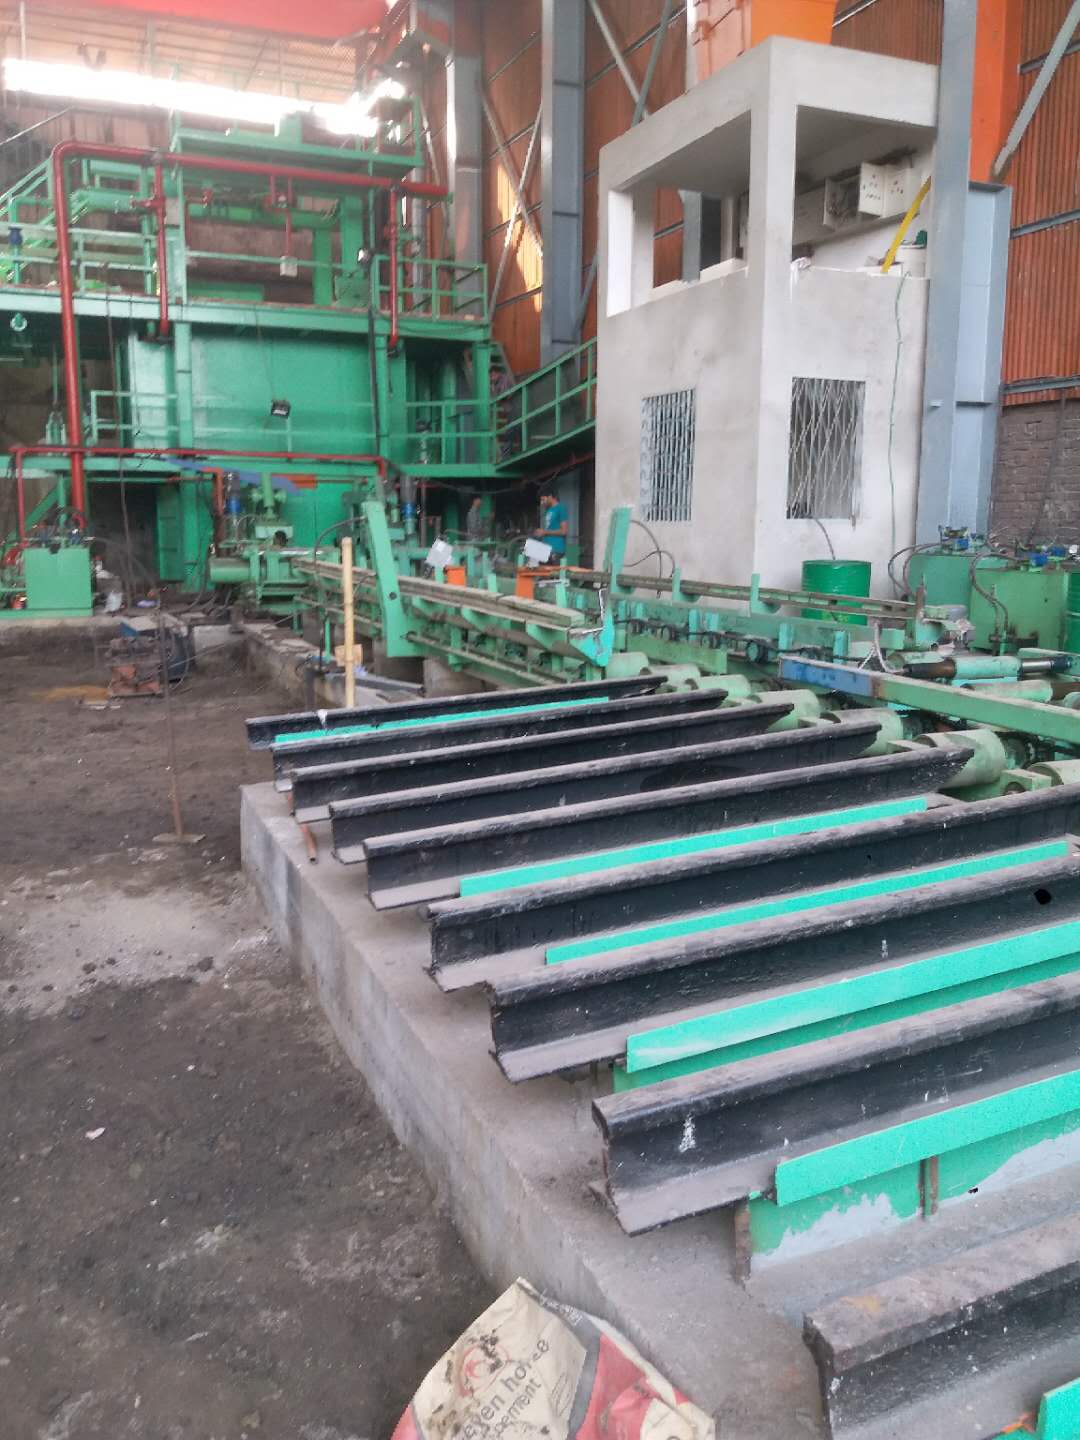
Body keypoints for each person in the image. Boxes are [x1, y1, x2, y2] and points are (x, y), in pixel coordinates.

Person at [534, 489, 568, 559]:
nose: (542, 503)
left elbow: (564, 531)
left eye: (543, 500)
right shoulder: (549, 510)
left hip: (556, 549)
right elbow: (550, 528)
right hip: (546, 548)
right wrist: (541, 532)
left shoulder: (561, 508)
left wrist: (545, 532)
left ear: (550, 496)